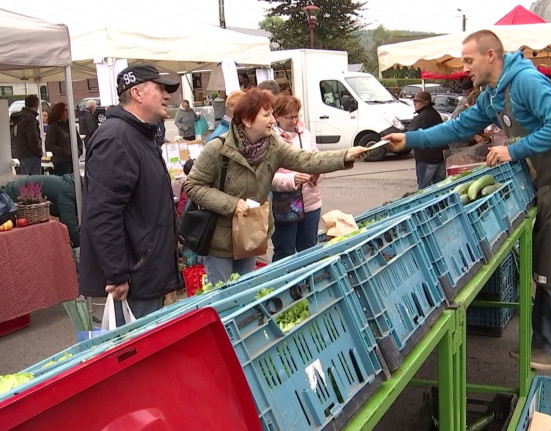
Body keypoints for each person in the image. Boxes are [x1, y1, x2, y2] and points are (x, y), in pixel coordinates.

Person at [384, 30, 551, 369]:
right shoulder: (493, 95)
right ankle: (542, 344)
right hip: (544, 177)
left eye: (469, 61)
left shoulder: (526, 82)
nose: (465, 69)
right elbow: (457, 128)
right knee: (543, 261)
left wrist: (514, 150)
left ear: (490, 55)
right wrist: (410, 138)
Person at [184, 88, 367, 284]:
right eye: (266, 115)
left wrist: (345, 155)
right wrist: (232, 204)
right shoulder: (217, 148)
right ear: (247, 120)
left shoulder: (273, 146)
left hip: (250, 236)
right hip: (219, 239)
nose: (273, 120)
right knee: (223, 297)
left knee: (248, 293)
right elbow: (193, 185)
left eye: (272, 114)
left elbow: (307, 160)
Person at [79, 63, 182, 324]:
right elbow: (103, 212)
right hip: (136, 277)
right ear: (137, 93)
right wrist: (117, 274)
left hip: (147, 272)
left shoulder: (139, 134)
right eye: (160, 89)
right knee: (137, 355)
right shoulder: (116, 138)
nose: (167, 96)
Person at [270, 95, 324, 261]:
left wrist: (317, 175)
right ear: (277, 116)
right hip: (284, 205)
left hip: (311, 203)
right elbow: (266, 175)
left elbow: (317, 160)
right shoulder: (271, 139)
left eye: (296, 116)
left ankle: (308, 285)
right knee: (284, 253)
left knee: (308, 250)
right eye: (289, 117)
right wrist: (291, 180)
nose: (294, 121)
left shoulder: (306, 134)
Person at [4, 174, 79, 247]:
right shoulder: (69, 192)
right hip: (14, 194)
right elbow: (69, 223)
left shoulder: (72, 185)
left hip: (17, 191)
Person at [409, 91, 446, 189]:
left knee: (423, 190)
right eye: (414, 101)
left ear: (425, 103)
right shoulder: (435, 114)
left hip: (426, 159)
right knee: (440, 189)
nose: (414, 103)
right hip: (439, 158)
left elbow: (409, 136)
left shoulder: (421, 117)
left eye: (417, 101)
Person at [45, 102, 83, 176]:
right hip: (61, 161)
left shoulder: (70, 126)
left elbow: (78, 140)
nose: (67, 112)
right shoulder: (54, 127)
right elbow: (50, 145)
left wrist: (79, 150)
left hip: (73, 160)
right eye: (65, 110)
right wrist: (64, 152)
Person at [11, 95, 43, 175]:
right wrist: (39, 151)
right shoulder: (30, 119)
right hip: (31, 155)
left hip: (22, 154)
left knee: (26, 181)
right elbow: (33, 138)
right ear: (36, 104)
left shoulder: (20, 118)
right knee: (33, 182)